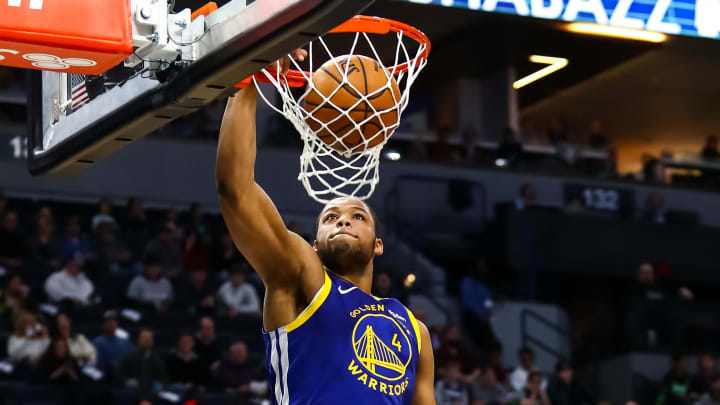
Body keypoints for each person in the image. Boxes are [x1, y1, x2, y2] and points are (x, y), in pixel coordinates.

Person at [216, 49, 434, 404]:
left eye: (357, 216)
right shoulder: (302, 277)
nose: (343, 219)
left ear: (378, 244)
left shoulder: (414, 329)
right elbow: (235, 189)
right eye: (330, 218)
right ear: (314, 245)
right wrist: (250, 76)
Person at [118, 328, 168, 397]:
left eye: (149, 337)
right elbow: (121, 376)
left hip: (154, 389)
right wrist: (127, 382)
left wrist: (161, 385)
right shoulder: (129, 357)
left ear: (152, 340)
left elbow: (163, 377)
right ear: (139, 339)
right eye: (144, 337)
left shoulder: (159, 358)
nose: (147, 340)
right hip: (135, 391)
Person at [460, 257, 495, 347]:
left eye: (484, 266)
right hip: (471, 315)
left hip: (483, 317)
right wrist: (480, 314)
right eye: (480, 266)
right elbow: (468, 301)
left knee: (490, 339)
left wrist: (487, 312)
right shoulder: (467, 281)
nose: (482, 268)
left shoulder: (485, 284)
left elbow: (488, 299)